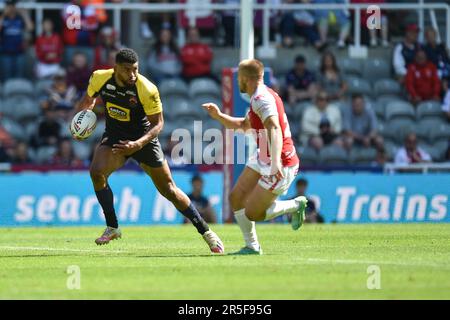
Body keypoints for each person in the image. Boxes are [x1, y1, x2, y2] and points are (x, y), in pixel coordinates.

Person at [73, 48, 224, 253]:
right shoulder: (99, 78)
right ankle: (112, 227)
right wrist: (82, 119)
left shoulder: (146, 88)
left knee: (169, 190)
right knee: (97, 173)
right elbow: (88, 100)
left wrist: (138, 144)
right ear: (115, 67)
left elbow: (158, 124)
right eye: (127, 70)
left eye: (135, 69)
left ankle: (207, 232)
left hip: (143, 140)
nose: (132, 74)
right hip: (115, 137)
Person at [203, 59, 308, 255]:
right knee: (236, 198)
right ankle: (252, 246)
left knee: (253, 212)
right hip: (263, 156)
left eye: (239, 78)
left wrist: (275, 162)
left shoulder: (261, 99)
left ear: (245, 79)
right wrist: (218, 115)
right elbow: (244, 126)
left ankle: (295, 205)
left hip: (281, 161)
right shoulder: (261, 96)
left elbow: (274, 128)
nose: (238, 82)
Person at [0, 0, 34, 81]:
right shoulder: (3, 18)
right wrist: (4, 14)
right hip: (6, 52)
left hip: (19, 52)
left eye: (13, 5)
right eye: (9, 5)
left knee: (19, 76)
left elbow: (30, 27)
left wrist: (24, 14)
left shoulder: (20, 18)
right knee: (7, 77)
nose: (11, 7)